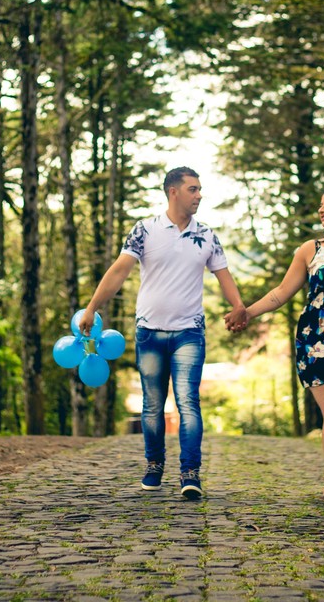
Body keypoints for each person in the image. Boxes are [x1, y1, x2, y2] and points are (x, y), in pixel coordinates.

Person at [80, 167, 248, 499]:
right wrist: (92, 306)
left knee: (188, 402)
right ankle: (154, 465)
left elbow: (224, 275)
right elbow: (119, 271)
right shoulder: (144, 231)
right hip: (150, 333)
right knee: (153, 405)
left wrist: (239, 306)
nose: (199, 195)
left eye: (200, 189)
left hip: (189, 333)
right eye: (193, 189)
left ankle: (190, 473)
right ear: (174, 192)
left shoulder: (207, 235)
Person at [225, 184, 324, 507]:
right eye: (320, 205)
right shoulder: (310, 251)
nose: (321, 210)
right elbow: (281, 293)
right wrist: (247, 312)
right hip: (318, 341)